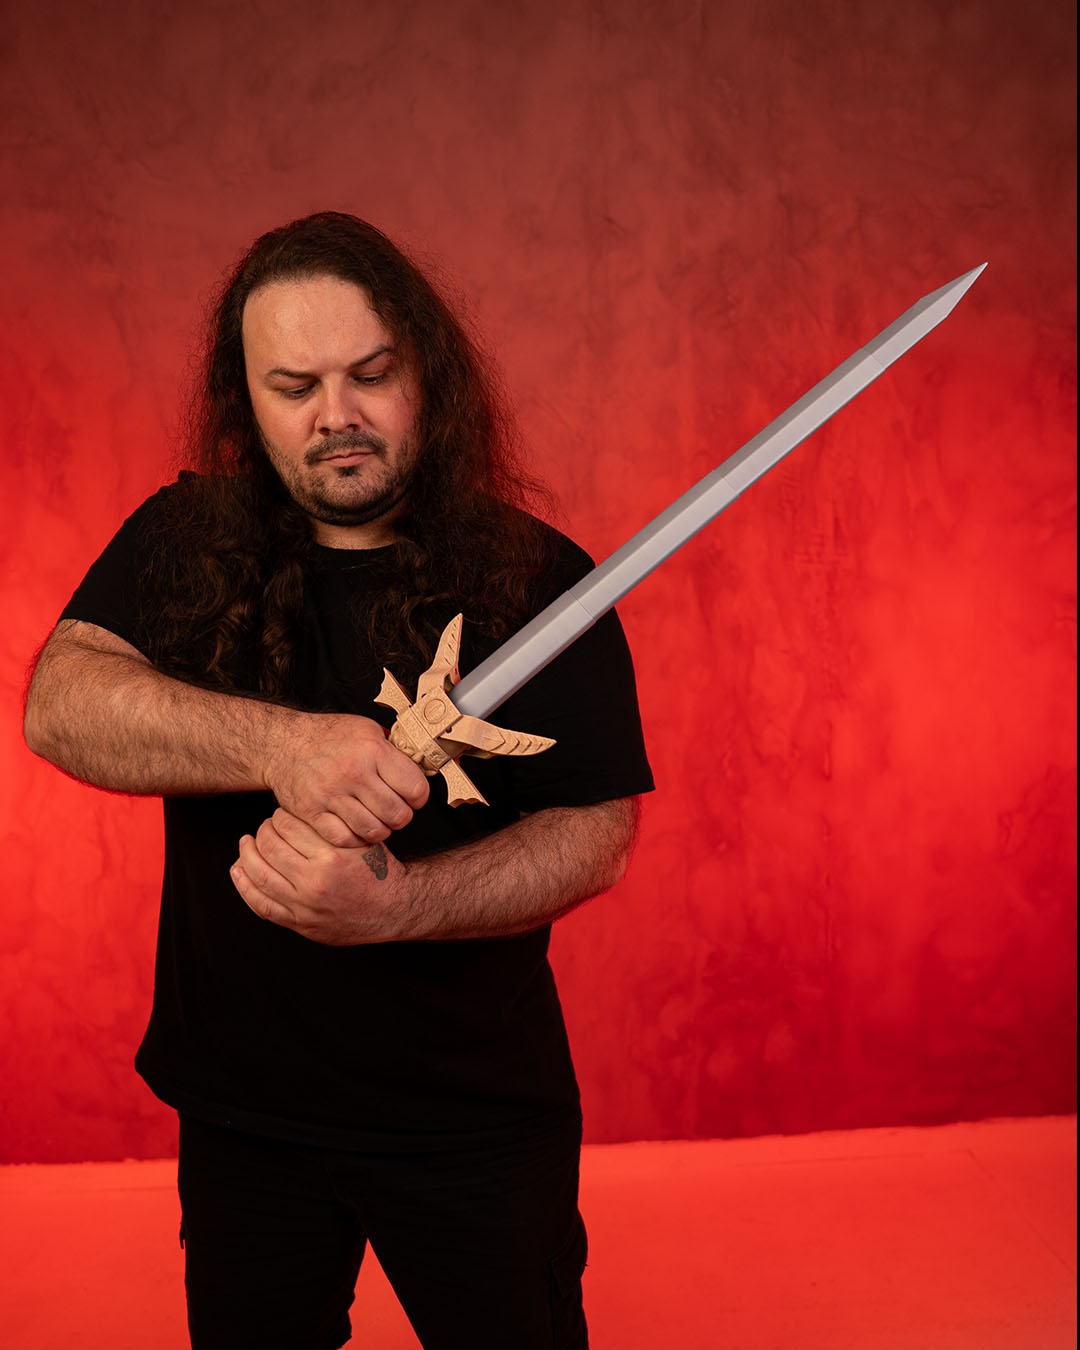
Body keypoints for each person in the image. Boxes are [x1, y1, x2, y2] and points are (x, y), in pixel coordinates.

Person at [23, 212, 653, 1350]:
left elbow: (596, 830)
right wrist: (283, 748)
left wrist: (399, 908)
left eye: (371, 374)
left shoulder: (537, 581)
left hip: (473, 1117)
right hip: (244, 1114)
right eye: (294, 385)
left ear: (429, 378)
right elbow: (59, 704)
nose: (336, 416)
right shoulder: (186, 538)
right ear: (248, 400)